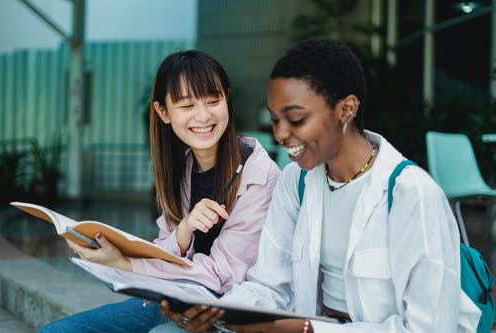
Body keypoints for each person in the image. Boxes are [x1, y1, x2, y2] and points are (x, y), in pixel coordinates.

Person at [155, 39, 481, 333]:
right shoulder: (295, 182)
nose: (281, 135)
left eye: (295, 119)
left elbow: (429, 329)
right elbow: (268, 285)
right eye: (275, 119)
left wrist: (307, 329)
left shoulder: (413, 195)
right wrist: (217, 310)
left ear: (346, 110)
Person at [38, 50, 280, 332]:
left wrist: (126, 264)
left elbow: (223, 275)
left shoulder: (259, 174)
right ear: (163, 112)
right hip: (173, 298)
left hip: (225, 310)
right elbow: (164, 249)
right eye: (187, 106)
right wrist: (182, 231)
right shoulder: (183, 168)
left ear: (227, 98)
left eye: (213, 101)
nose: (203, 116)